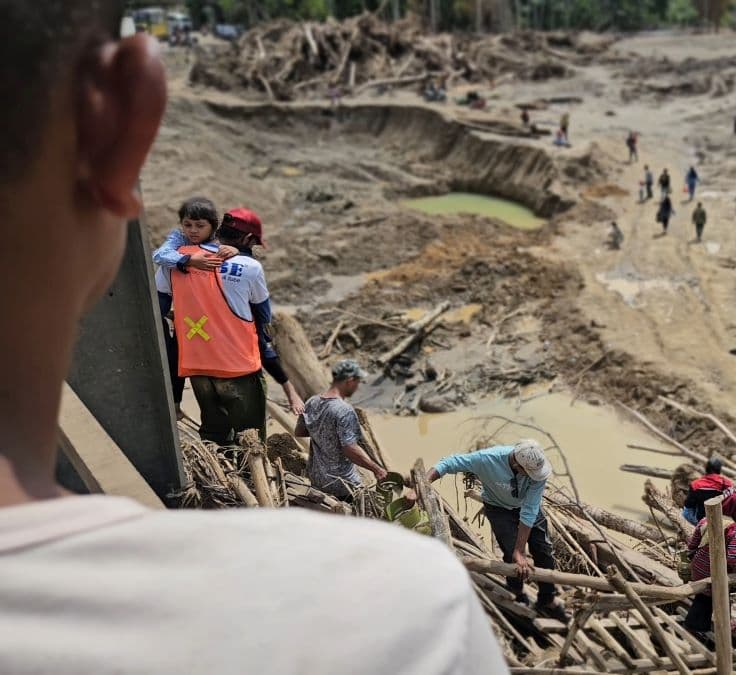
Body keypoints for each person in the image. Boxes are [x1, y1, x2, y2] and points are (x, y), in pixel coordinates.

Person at [0, 5, 505, 671]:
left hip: (218, 374)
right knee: (234, 427)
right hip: (252, 390)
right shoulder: (404, 618)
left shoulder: (176, 264)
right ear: (123, 123)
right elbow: (270, 338)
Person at [153, 199, 305, 418]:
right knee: (249, 431)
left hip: (196, 363)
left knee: (214, 431)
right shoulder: (250, 267)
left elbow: (160, 300)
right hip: (238, 366)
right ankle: (290, 392)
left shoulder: (178, 259)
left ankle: (175, 405)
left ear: (216, 228)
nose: (193, 230)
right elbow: (263, 317)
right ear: (248, 239)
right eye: (189, 225)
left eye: (199, 226)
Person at [428, 440, 570, 621]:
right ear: (517, 465)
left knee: (544, 551)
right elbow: (448, 463)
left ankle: (547, 599)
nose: (534, 476)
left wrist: (522, 550)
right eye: (529, 473)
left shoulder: (538, 473)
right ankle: (517, 593)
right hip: (498, 507)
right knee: (511, 554)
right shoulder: (487, 459)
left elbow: (530, 510)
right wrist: (422, 484)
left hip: (526, 506)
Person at [296, 360, 388, 499]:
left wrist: (324, 433)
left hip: (317, 479)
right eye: (357, 382)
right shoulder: (344, 410)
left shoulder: (312, 402)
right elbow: (349, 449)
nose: (357, 387)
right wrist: (377, 469)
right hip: (342, 483)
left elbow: (300, 432)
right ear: (350, 381)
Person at [683, 492, 736, 634]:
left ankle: (697, 623)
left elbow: (692, 545)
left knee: (703, 595)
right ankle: (710, 626)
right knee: (718, 597)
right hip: (715, 569)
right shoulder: (734, 529)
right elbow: (732, 558)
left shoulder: (705, 520)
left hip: (698, 564)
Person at [682, 457, 734, 525]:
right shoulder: (726, 483)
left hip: (701, 520)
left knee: (686, 511)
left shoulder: (695, 484)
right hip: (719, 518)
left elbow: (688, 504)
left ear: (706, 469)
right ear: (719, 470)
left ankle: (694, 525)